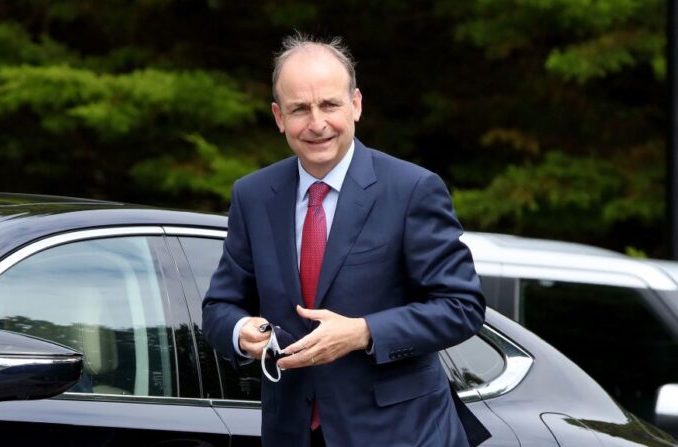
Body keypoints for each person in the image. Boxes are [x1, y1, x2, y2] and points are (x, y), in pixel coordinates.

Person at [202, 33, 490, 447]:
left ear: (355, 105)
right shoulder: (253, 195)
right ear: (279, 117)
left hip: (402, 435)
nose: (316, 123)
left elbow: (461, 307)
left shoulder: (412, 190)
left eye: (329, 105)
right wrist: (240, 331)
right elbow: (218, 308)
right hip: (292, 433)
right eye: (299, 109)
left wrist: (362, 332)